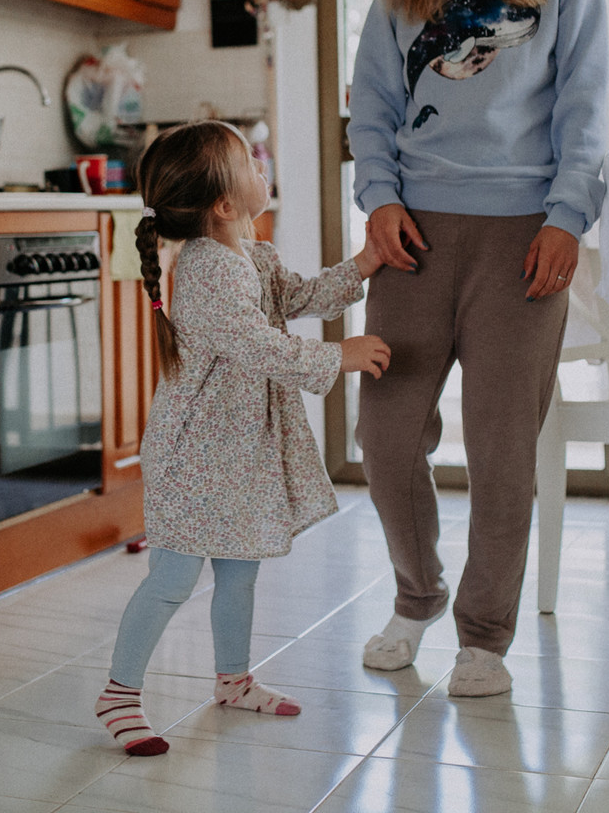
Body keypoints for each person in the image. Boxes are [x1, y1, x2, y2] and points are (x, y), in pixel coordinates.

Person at [347, 0, 609, 698]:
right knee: (384, 436)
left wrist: (567, 216)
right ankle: (415, 597)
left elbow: (585, 112)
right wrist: (377, 200)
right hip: (413, 237)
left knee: (502, 448)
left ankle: (484, 635)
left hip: (521, 239)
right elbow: (371, 108)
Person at [94, 120, 392, 755]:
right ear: (225, 204)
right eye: (252, 164)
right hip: (195, 457)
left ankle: (232, 680)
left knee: (239, 574)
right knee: (172, 579)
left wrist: (364, 264)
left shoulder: (251, 255)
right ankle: (119, 693)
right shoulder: (207, 269)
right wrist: (336, 356)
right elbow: (255, 345)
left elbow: (300, 298)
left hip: (237, 454)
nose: (265, 167)